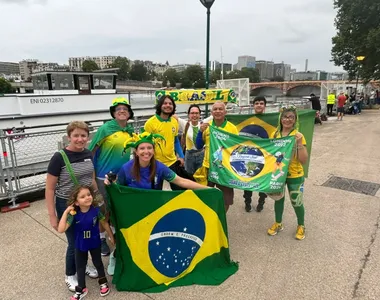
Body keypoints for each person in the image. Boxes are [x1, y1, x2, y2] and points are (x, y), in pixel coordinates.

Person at [45, 121, 99, 292]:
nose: (80, 139)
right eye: (76, 135)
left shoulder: (89, 154)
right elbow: (50, 188)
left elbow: (90, 178)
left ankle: (83, 264)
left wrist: (97, 198)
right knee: (74, 241)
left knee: (86, 235)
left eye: (83, 135)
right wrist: (53, 215)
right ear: (69, 137)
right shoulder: (59, 157)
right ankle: (70, 273)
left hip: (86, 203)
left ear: (87, 137)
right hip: (67, 205)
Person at [88, 96, 135, 257]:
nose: (122, 111)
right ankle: (101, 238)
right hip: (102, 177)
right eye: (118, 109)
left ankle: (114, 233)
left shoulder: (129, 131)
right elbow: (91, 151)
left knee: (116, 208)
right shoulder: (105, 129)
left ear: (129, 114)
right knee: (103, 210)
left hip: (120, 178)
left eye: (125, 109)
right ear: (113, 114)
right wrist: (92, 177)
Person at [58, 185, 115, 300]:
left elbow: (104, 223)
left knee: (98, 262)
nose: (87, 198)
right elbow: (61, 229)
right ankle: (81, 289)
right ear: (77, 202)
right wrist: (66, 212)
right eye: (83, 197)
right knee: (80, 266)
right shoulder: (74, 215)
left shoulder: (96, 211)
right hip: (80, 244)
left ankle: (103, 283)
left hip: (94, 242)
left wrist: (110, 235)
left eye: (89, 195)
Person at [105, 132, 209, 191]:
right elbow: (118, 188)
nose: (146, 152)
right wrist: (110, 184)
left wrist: (207, 189)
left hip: (155, 210)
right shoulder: (126, 168)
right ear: (136, 152)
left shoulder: (159, 167)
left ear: (154, 151)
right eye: (142, 148)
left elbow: (180, 181)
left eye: (149, 148)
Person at [267, 106, 308, 240]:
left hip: (294, 174)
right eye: (285, 117)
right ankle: (278, 223)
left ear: (295, 119)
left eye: (291, 117)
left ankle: (301, 225)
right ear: (280, 119)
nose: (287, 119)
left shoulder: (298, 135)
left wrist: (299, 143)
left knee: (297, 201)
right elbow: (269, 154)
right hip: (278, 173)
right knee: (278, 199)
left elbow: (303, 160)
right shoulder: (274, 134)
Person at [195, 101, 238, 212]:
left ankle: (221, 218)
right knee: (205, 196)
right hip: (208, 167)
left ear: (225, 112)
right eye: (215, 109)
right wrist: (200, 132)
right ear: (211, 112)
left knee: (226, 199)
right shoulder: (207, 127)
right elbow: (198, 145)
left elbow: (236, 150)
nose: (218, 111)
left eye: (220, 109)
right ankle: (208, 217)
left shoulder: (232, 128)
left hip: (225, 169)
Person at [144, 95, 193, 190]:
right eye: (165, 103)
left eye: (170, 104)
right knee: (155, 191)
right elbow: (144, 145)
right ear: (160, 105)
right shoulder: (150, 123)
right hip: (155, 163)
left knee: (179, 190)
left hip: (172, 162)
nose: (168, 105)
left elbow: (175, 141)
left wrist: (182, 156)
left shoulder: (174, 122)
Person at [242, 96, 269, 213]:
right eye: (256, 103)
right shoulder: (248, 119)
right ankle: (247, 202)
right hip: (249, 154)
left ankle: (261, 201)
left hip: (265, 155)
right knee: (248, 178)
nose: (259, 105)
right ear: (253, 106)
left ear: (265, 106)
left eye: (261, 103)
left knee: (263, 180)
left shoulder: (270, 120)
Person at [175, 104, 212, 175]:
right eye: (192, 113)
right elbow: (174, 116)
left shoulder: (203, 123)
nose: (194, 115)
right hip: (189, 156)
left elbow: (214, 115)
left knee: (201, 176)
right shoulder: (185, 124)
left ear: (199, 114)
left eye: (196, 113)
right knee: (189, 176)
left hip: (201, 154)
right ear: (188, 115)